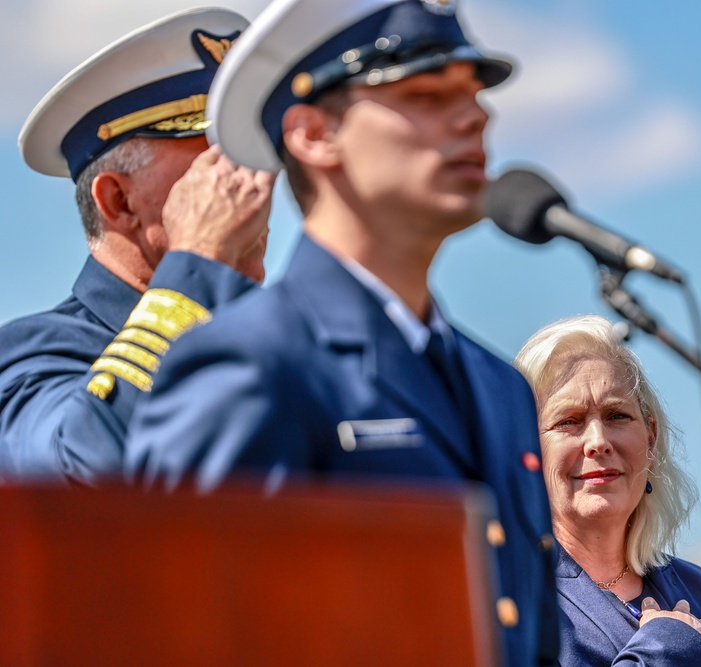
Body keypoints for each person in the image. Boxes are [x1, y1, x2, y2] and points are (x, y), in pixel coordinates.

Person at [124, 1, 558, 665]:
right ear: (312, 134)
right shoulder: (252, 360)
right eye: (423, 93)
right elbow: (174, 633)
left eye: (472, 93)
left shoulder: (500, 385)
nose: (476, 116)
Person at [0, 8, 273, 486]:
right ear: (118, 201)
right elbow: (82, 473)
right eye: (215, 170)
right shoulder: (35, 356)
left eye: (251, 158)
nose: (254, 186)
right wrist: (199, 258)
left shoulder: (288, 341)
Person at [515, 315, 701, 666]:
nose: (598, 442)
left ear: (651, 438)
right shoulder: (511, 601)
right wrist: (667, 651)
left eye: (617, 415)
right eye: (568, 421)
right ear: (526, 446)